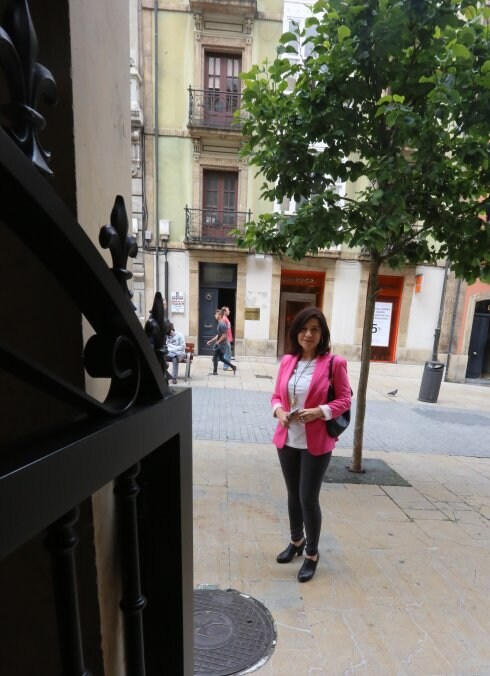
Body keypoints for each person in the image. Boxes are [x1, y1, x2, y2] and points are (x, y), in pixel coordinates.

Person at [271, 306, 351, 582]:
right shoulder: (288, 361)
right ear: (296, 332)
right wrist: (280, 412)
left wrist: (320, 411)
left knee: (308, 497)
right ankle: (296, 542)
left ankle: (312, 554)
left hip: (316, 441)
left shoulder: (333, 363)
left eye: (315, 330)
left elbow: (345, 400)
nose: (308, 334)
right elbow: (276, 397)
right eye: (304, 329)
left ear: (322, 334)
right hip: (288, 438)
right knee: (293, 494)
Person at [206, 309, 236, 375]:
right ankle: (233, 367)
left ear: (219, 315)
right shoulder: (220, 323)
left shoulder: (222, 324)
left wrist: (217, 343)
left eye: (216, 314)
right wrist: (211, 341)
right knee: (221, 358)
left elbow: (224, 336)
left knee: (215, 357)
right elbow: (219, 335)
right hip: (221, 344)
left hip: (222, 345)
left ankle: (215, 372)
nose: (215, 315)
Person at [221, 306, 234, 370]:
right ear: (224, 312)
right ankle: (226, 366)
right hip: (226, 339)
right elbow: (223, 330)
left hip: (227, 338)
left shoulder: (226, 318)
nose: (229, 311)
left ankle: (216, 359)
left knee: (227, 352)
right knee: (228, 353)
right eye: (228, 310)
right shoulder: (224, 319)